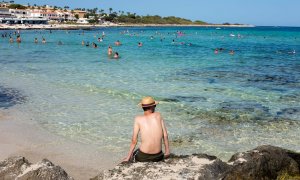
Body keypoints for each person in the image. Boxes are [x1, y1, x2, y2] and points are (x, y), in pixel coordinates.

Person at [123, 96, 170, 162]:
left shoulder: (138, 119)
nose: (155, 107)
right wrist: (167, 151)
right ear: (152, 107)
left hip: (143, 157)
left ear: (142, 107)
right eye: (155, 106)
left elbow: (134, 141)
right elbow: (165, 135)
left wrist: (128, 158)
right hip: (158, 156)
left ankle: (130, 157)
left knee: (135, 152)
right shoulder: (158, 115)